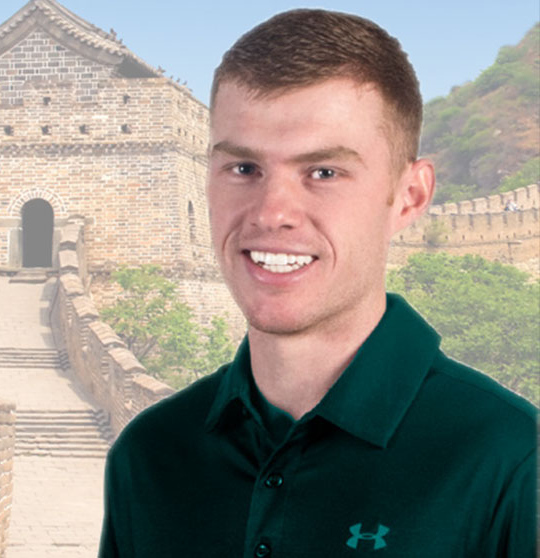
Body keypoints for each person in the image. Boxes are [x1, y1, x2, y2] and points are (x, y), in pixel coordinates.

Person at [99, 9, 537, 557]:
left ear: (410, 197)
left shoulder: (511, 461)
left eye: (324, 172)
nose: (272, 212)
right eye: (243, 169)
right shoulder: (152, 455)